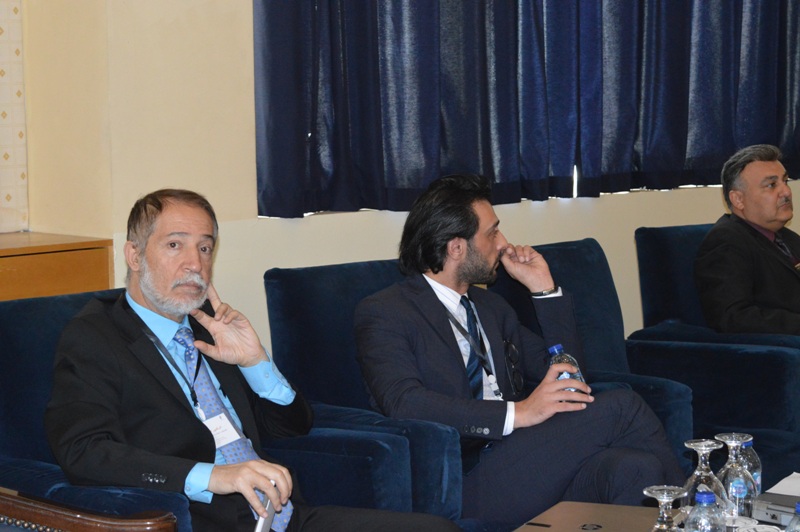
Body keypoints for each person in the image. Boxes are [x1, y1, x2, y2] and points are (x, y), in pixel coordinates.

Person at [45, 189, 459, 532]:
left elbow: (292, 426)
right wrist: (213, 476)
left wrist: (255, 361)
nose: (195, 264)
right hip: (200, 521)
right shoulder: (96, 337)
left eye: (205, 247)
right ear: (134, 256)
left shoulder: (211, 326)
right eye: (175, 245)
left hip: (285, 518)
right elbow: (84, 451)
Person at [354, 174, 684, 530]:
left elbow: (570, 378)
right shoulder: (386, 311)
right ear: (456, 247)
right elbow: (404, 402)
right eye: (492, 233)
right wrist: (519, 412)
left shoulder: (491, 308)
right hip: (460, 479)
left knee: (636, 468)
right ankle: (698, 516)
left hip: (524, 463)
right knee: (621, 405)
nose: (503, 243)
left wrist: (545, 290)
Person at [694, 144, 800, 334]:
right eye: (771, 185)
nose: (786, 192)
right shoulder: (726, 242)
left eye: (785, 181)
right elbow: (733, 318)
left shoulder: (788, 238)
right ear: (738, 200)